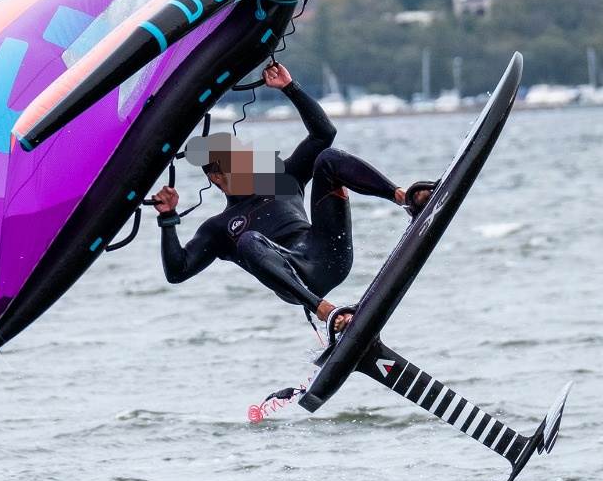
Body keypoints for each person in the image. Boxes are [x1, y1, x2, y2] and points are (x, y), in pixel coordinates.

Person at [151, 63, 434, 328]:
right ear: (216, 177)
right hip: (298, 279)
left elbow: (324, 134)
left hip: (330, 252)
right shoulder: (218, 227)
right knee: (248, 240)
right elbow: (178, 271)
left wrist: (289, 88)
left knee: (328, 158)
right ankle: (326, 312)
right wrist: (168, 218)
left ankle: (405, 198)